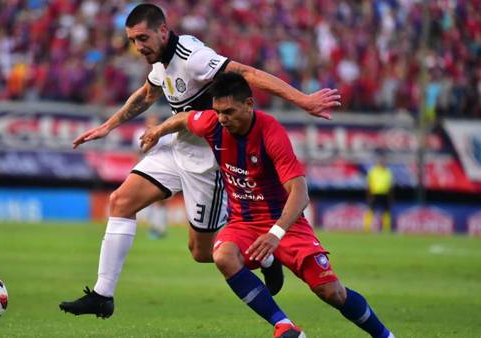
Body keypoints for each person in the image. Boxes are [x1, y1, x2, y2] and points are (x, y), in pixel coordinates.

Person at [60, 3, 341, 318]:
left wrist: (302, 99)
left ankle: (266, 259)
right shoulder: (160, 62)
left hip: (209, 160)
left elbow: (246, 73)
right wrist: (108, 126)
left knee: (202, 252)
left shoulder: (194, 58)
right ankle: (103, 295)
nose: (139, 46)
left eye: (143, 38)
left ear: (163, 31)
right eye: (133, 40)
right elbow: (147, 94)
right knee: (121, 201)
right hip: (178, 144)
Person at [140, 72, 394, 338]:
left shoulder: (270, 132)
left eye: (229, 111)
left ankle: (385, 335)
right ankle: (283, 325)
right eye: (218, 112)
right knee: (223, 256)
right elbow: (184, 118)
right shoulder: (212, 123)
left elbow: (300, 192)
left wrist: (275, 233)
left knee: (332, 292)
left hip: (286, 223)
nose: (223, 119)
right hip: (243, 222)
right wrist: (158, 130)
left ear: (249, 104)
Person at [132, 115, 171, 239]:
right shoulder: (139, 133)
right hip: (144, 169)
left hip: (161, 170)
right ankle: (155, 227)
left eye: (154, 121)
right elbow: (137, 152)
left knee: (160, 201)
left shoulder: (165, 136)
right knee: (145, 201)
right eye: (150, 121)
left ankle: (159, 228)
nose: (152, 123)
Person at [364, 155, 393, 233]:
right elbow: (369, 184)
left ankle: (386, 229)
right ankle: (367, 228)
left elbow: (390, 185)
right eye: (381, 162)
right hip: (375, 193)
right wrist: (369, 195)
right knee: (371, 210)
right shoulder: (373, 171)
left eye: (383, 162)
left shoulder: (388, 172)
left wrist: (390, 196)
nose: (382, 163)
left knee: (386, 211)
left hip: (385, 194)